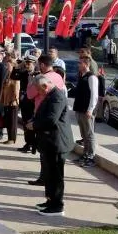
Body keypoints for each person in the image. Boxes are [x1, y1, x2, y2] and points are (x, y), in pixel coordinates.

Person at [27, 74, 74, 216]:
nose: (38, 93)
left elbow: (51, 119)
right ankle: (50, 200)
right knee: (49, 174)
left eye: (39, 90)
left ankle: (57, 206)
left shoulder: (57, 97)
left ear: (45, 86)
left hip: (57, 143)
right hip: (49, 142)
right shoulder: (50, 94)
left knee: (56, 176)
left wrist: (34, 125)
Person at [72, 56, 99, 167]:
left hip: (86, 110)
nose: (78, 65)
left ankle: (91, 157)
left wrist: (90, 109)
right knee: (84, 134)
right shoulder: (81, 76)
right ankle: (85, 154)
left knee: (89, 134)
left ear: (86, 64)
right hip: (79, 109)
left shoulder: (91, 77)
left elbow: (94, 95)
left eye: (80, 63)